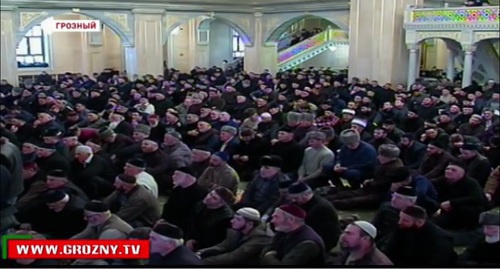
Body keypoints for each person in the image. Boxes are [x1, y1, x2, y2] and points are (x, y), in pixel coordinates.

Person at [383, 205, 457, 266]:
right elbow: (390, 250)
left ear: (419, 222)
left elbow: (439, 262)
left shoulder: (440, 239)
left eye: (405, 220)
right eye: (400, 218)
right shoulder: (402, 227)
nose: (400, 222)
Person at [198, 207, 271, 265]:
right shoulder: (237, 231)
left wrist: (203, 262)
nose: (232, 221)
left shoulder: (260, 238)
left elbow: (233, 257)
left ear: (250, 224)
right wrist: (200, 253)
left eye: (238, 219)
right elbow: (223, 246)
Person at [260, 204, 326, 266]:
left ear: (290, 220)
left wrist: (269, 257)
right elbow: (265, 251)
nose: (272, 221)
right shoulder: (283, 230)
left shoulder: (308, 243)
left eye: (276, 217)